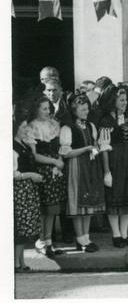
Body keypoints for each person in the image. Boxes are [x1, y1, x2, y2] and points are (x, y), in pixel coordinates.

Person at [96, 84, 128, 247]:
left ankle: (124, 233)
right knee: (115, 197)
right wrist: (107, 171)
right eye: (121, 100)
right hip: (115, 160)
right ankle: (116, 234)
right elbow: (104, 148)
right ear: (113, 101)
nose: (125, 102)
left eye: (126, 100)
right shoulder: (107, 120)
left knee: (127, 196)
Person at [60, 93, 106, 253]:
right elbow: (65, 153)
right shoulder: (68, 128)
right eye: (82, 109)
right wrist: (86, 149)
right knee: (78, 204)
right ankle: (80, 239)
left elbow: (95, 144)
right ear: (74, 111)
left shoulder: (91, 126)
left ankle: (86, 237)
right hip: (76, 167)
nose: (86, 112)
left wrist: (96, 149)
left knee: (89, 203)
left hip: (91, 166)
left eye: (87, 109)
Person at [24, 95, 65, 258]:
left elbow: (60, 147)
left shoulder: (53, 124)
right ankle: (40, 241)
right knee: (43, 209)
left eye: (49, 108)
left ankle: (49, 241)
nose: (48, 111)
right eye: (44, 108)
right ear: (36, 110)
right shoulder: (31, 127)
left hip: (55, 171)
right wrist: (54, 161)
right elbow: (34, 156)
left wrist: (59, 161)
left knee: (53, 209)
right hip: (41, 171)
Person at [14, 105, 43, 273]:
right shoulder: (13, 148)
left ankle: (21, 261)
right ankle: (16, 263)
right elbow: (13, 173)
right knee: (21, 228)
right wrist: (31, 175)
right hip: (20, 190)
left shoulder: (23, 145)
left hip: (27, 189)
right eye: (23, 127)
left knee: (26, 227)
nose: (26, 130)